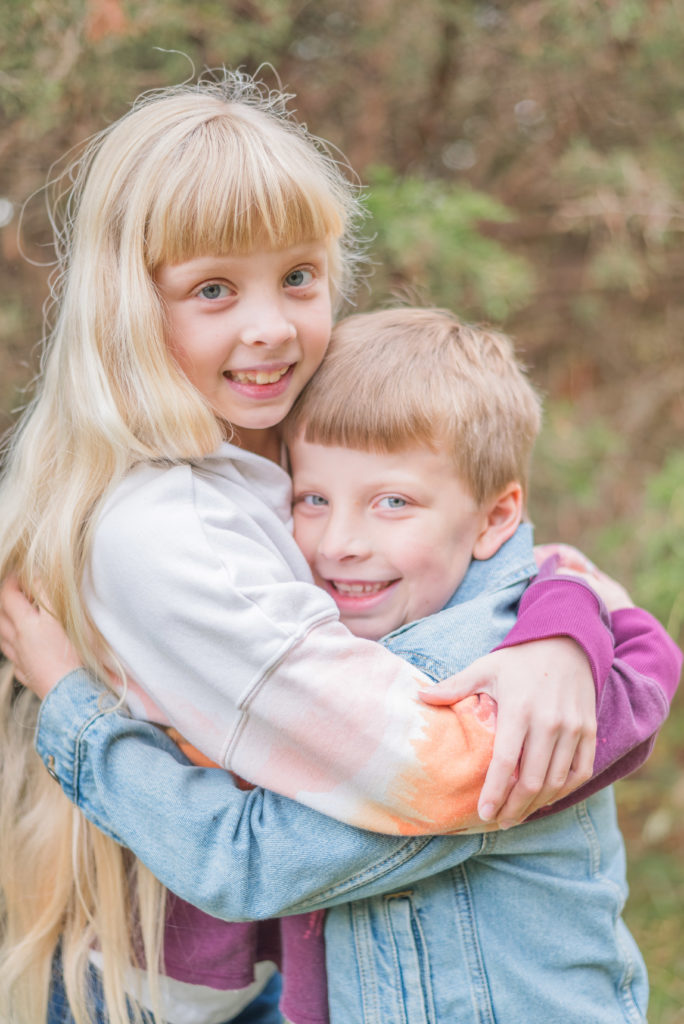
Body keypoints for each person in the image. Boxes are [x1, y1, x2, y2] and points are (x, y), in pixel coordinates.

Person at [0, 69, 678, 1024]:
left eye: (298, 277)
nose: (271, 326)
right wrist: (614, 670)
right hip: (156, 994)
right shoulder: (167, 529)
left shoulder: (266, 447)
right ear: (127, 305)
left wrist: (562, 620)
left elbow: (486, 542)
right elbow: (435, 770)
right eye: (213, 289)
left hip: (249, 978)